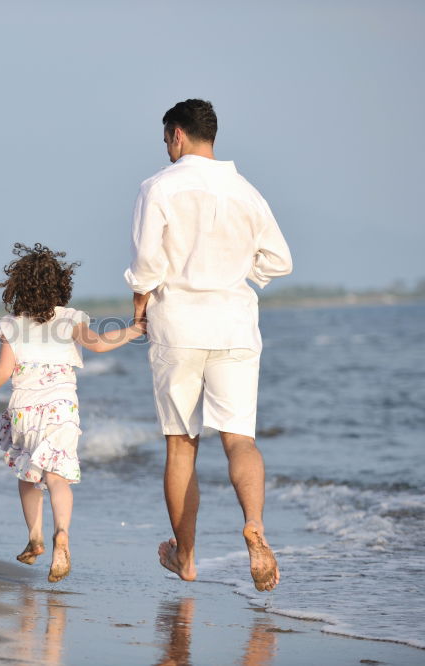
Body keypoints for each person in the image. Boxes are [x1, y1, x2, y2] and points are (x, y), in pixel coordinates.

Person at [125, 99, 292, 591]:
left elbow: (147, 263)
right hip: (236, 324)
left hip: (178, 325)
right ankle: (255, 525)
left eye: (166, 140)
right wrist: (239, 276)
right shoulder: (247, 192)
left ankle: (187, 557)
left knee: (181, 447)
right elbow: (279, 260)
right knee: (239, 439)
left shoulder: (158, 187)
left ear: (176, 135)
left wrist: (139, 308)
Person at [0, 243, 145, 583]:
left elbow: (1, 374)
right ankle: (63, 533)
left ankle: (35, 538)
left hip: (24, 412)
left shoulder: (10, 325)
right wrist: (135, 329)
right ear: (61, 285)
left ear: (16, 286)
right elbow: (99, 344)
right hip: (62, 408)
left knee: (29, 475)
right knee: (57, 477)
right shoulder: (72, 318)